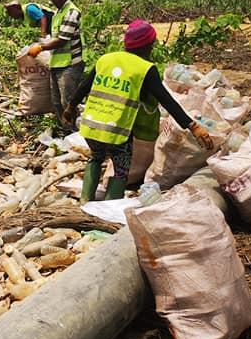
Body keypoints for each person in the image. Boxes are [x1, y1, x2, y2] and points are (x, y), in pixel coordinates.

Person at [62, 19, 214, 202]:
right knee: (120, 169)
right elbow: (166, 100)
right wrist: (193, 126)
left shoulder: (106, 59)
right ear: (147, 45)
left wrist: (70, 108)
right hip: (116, 130)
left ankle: (85, 202)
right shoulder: (144, 69)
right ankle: (108, 211)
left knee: (95, 158)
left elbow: (84, 86)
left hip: (91, 125)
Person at [27, 0, 83, 135]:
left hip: (70, 64)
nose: (56, 0)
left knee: (68, 101)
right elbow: (55, 36)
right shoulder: (58, 13)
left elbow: (62, 40)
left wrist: (41, 47)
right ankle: (65, 131)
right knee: (56, 102)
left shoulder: (72, 12)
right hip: (57, 63)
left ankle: (75, 133)